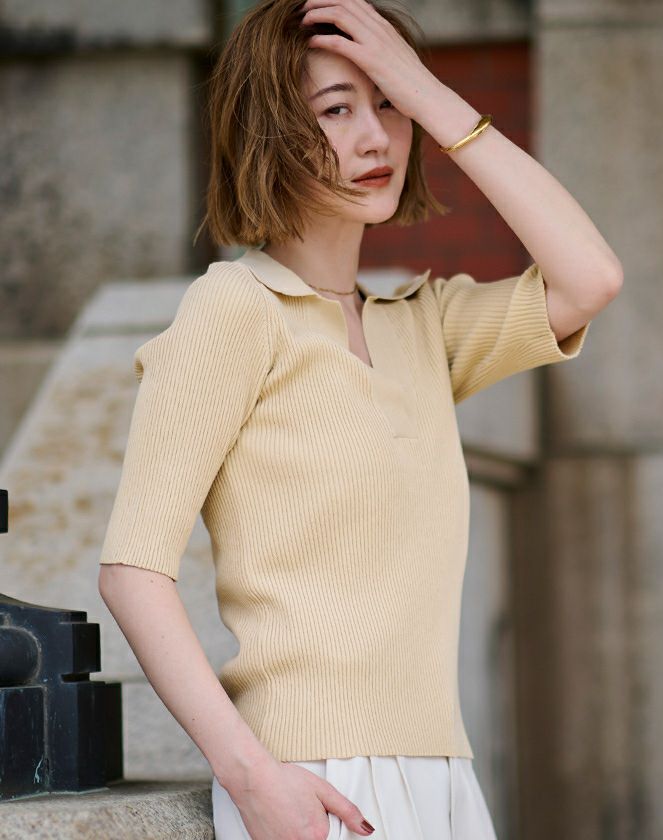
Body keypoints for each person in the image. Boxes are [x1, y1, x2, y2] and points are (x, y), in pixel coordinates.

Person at [97, 1, 624, 838]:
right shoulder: (236, 310)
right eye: (336, 110)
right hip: (314, 778)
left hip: (441, 774)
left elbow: (591, 277)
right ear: (270, 131)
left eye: (389, 104)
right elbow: (133, 571)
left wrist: (432, 95)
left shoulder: (422, 324)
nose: (376, 138)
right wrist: (252, 774)